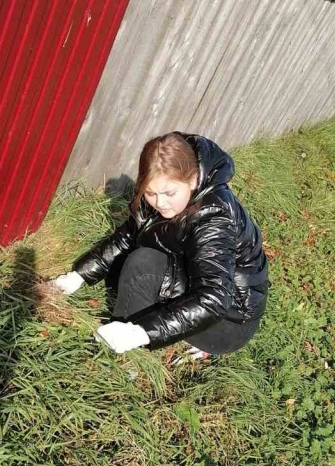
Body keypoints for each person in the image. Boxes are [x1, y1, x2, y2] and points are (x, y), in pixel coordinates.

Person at [49, 132, 269, 360]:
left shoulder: (214, 217)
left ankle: (128, 358)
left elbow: (214, 298)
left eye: (169, 193)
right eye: (150, 193)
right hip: (192, 280)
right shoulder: (158, 194)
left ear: (193, 180)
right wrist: (77, 276)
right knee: (122, 268)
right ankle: (131, 331)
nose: (160, 203)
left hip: (227, 320)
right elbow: (127, 237)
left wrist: (140, 333)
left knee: (143, 264)